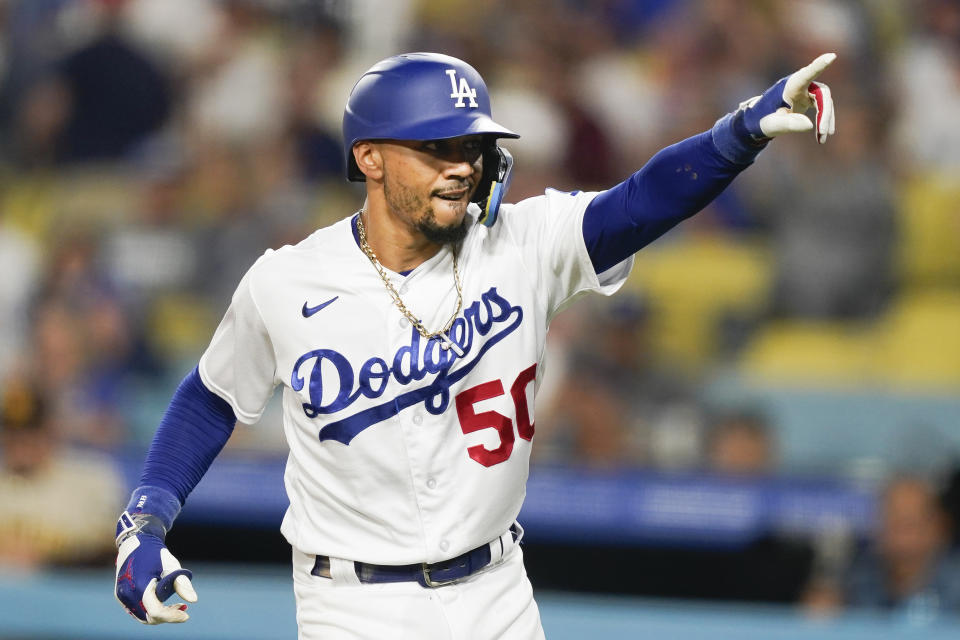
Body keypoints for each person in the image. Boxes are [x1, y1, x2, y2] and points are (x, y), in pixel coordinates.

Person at [113, 51, 837, 637]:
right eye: (435, 147)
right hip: (354, 608)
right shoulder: (287, 281)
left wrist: (737, 135)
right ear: (369, 158)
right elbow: (212, 397)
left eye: (471, 145)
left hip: (497, 593)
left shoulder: (520, 243)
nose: (461, 164)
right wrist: (146, 519)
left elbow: (641, 202)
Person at [803, 475, 960, 622]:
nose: (900, 536)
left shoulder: (955, 582)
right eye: (891, 522)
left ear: (939, 526)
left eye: (910, 524)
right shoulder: (859, 577)